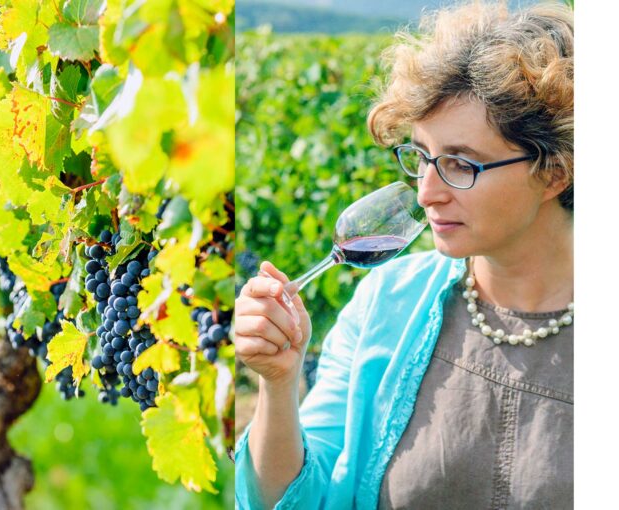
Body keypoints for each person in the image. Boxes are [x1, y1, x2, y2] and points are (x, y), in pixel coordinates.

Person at [234, 1, 574, 509]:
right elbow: (296, 499)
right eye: (420, 157)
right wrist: (279, 388)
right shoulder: (386, 302)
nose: (425, 193)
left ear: (554, 172)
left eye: (461, 164)